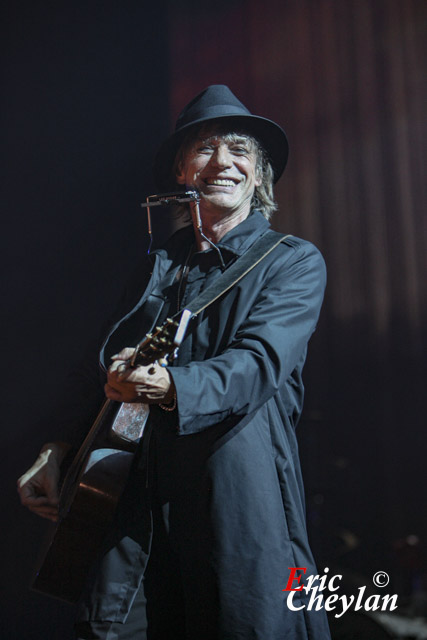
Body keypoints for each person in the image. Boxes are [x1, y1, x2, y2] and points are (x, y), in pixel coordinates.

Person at [18, 85, 331, 639]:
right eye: (205, 149)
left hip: (233, 493)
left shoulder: (292, 262)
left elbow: (257, 364)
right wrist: (55, 447)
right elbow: (97, 364)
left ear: (258, 176)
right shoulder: (159, 266)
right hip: (134, 499)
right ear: (183, 173)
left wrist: (168, 384)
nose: (223, 162)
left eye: (239, 151)